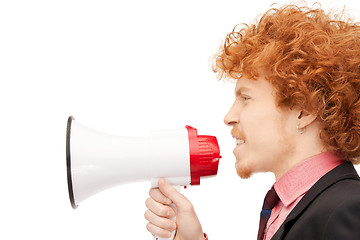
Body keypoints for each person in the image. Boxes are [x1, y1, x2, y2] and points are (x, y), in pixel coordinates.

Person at [144, 3, 360, 240]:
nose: (229, 117)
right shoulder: (291, 208)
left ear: (303, 111)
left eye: (246, 98)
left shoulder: (348, 210)